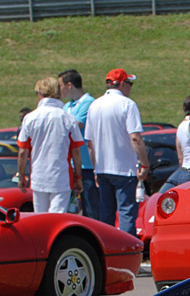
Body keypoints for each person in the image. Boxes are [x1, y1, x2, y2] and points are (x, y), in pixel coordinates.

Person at [85, 68, 149, 234]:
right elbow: (135, 137)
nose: (130, 87)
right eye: (129, 83)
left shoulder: (94, 105)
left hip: (102, 168)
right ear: (121, 84)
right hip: (124, 169)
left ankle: (107, 252)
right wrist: (145, 163)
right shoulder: (127, 104)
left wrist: (95, 169)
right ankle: (127, 254)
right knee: (127, 214)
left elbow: (90, 144)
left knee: (106, 216)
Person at [16, 77, 84, 213]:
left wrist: (22, 176)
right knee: (57, 219)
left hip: (38, 176)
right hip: (62, 177)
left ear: (40, 93)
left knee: (40, 218)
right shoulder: (68, 118)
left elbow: (23, 151)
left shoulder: (30, 118)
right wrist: (78, 177)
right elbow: (76, 151)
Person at [58, 68, 98, 217]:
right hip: (70, 165)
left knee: (91, 209)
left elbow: (75, 126)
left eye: (60, 86)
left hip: (86, 165)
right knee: (68, 210)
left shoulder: (89, 103)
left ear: (69, 85)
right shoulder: (66, 106)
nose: (59, 90)